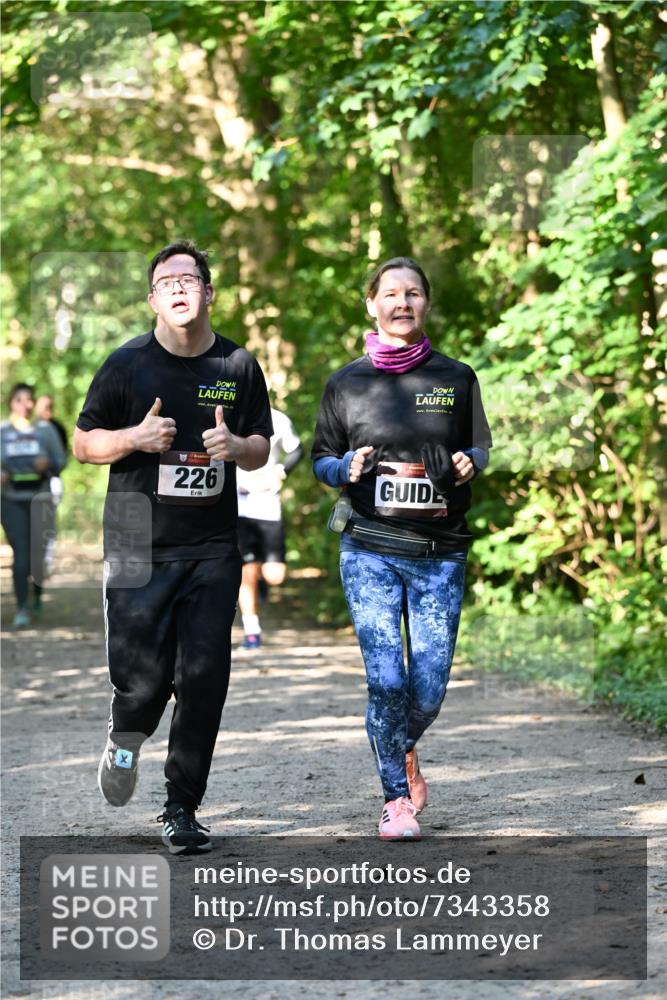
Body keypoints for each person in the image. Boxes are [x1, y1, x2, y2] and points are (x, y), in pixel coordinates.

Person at [73, 240, 272, 854]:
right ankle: (126, 732)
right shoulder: (127, 365)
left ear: (209, 293)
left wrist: (235, 449)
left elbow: (261, 445)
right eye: (168, 281)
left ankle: (181, 808)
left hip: (211, 542)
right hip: (136, 535)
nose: (180, 288)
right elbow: (84, 445)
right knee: (144, 682)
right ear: (153, 298)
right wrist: (134, 436)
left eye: (191, 278)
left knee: (205, 677)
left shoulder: (238, 365)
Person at [311, 256, 492, 841]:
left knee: (430, 687)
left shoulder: (455, 377)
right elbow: (321, 459)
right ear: (372, 304)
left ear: (426, 305)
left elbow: (479, 448)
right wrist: (347, 466)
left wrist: (467, 464)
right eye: (391, 293)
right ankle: (395, 800)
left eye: (413, 293)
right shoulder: (346, 383)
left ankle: (402, 745)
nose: (402, 302)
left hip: (440, 553)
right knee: (387, 680)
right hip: (369, 549)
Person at [236, 407, 303, 649]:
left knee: (275, 575)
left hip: (267, 503)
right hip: (238, 506)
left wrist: (282, 470)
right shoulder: (230, 414)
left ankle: (261, 581)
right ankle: (252, 631)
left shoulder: (277, 419)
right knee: (246, 572)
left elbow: (297, 450)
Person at [1, 383, 66, 627]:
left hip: (41, 499)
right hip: (10, 500)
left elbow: (61, 461)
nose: (26, 404)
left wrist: (48, 465)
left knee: (38, 555)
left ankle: (37, 595)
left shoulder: (45, 430)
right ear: (11, 403)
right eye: (20, 399)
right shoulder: (2, 431)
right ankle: (22, 608)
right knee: (21, 553)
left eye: (30, 399)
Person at [34, 393, 68, 574]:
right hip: (32, 485)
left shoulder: (57, 427)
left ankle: (45, 559)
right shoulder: (30, 427)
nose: (46, 409)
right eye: (43, 406)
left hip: (53, 480)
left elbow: (64, 456)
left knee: (47, 520)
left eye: (49, 406)